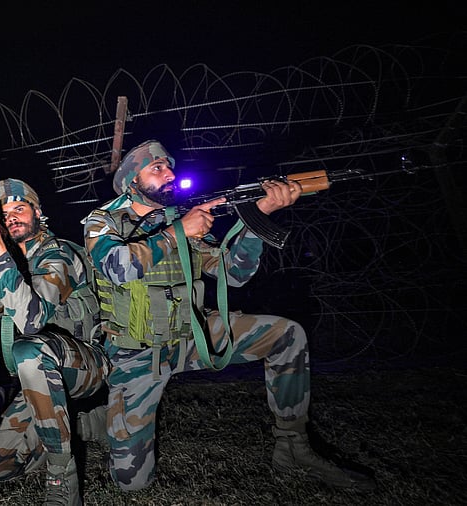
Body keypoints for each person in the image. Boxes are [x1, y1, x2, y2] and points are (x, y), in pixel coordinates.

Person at [79, 139, 377, 492]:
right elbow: (117, 268)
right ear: (132, 181)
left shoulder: (178, 218)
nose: (169, 174)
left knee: (286, 334)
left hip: (192, 336)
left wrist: (258, 216)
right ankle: (96, 421)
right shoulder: (103, 221)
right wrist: (180, 232)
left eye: (170, 166)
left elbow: (233, 273)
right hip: (137, 354)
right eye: (157, 168)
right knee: (131, 483)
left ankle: (293, 446)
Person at [0, 178, 110, 506]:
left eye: (20, 208)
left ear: (38, 213)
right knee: (1, 467)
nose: (12, 216)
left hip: (90, 363)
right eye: (5, 213)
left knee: (29, 350)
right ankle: (86, 422)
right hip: (41, 375)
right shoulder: (13, 263)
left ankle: (62, 478)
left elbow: (32, 320)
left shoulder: (60, 253)